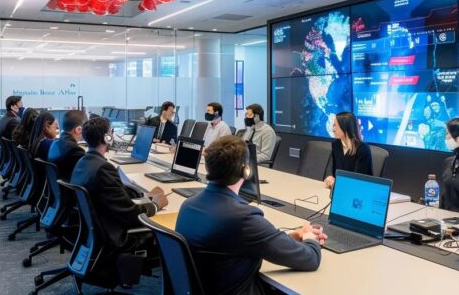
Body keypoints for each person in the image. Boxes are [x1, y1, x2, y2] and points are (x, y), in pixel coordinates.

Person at [176, 135, 326, 295]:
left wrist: (296, 235)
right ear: (246, 170)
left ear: (207, 167)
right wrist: (310, 236)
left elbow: (241, 240)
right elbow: (310, 259)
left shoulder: (188, 206)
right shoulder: (243, 218)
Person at [70, 117, 170, 253]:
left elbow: (117, 200)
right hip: (117, 236)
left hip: (98, 230)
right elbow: (130, 215)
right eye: (110, 133)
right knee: (168, 233)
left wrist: (146, 197)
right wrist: (155, 205)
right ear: (107, 138)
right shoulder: (103, 169)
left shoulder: (82, 162)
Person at [324, 112, 372, 189]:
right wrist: (329, 177)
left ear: (344, 127)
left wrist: (337, 182)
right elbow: (332, 169)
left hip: (357, 192)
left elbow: (358, 181)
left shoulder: (363, 149)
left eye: (335, 125)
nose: (333, 129)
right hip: (340, 189)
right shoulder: (336, 145)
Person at [48, 110, 87, 181]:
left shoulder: (56, 143)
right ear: (78, 130)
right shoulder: (75, 150)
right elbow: (87, 175)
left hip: (58, 188)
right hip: (69, 190)